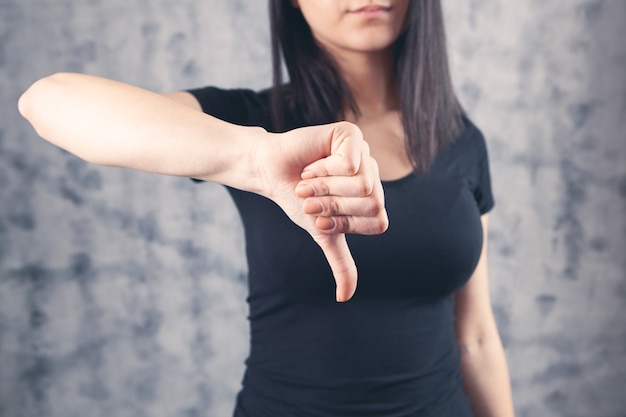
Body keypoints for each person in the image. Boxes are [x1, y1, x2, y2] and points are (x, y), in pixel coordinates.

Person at [18, 0, 515, 416]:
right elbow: (49, 101)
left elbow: (475, 337)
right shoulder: (253, 122)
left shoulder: (460, 141)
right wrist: (251, 156)